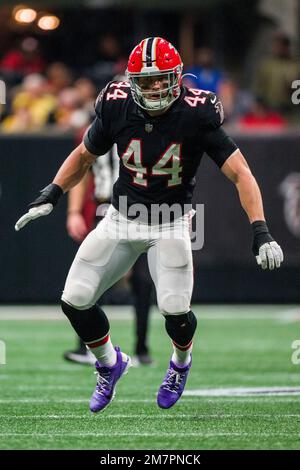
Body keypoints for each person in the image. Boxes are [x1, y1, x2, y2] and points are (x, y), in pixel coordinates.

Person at [15, 37, 283, 413]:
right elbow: (84, 155)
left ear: (177, 77)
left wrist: (260, 228)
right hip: (121, 218)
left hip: (170, 223)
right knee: (74, 300)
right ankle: (110, 364)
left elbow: (240, 173)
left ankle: (180, 364)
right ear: (132, 81)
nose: (155, 87)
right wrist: (53, 192)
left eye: (162, 79)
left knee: (174, 307)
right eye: (146, 80)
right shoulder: (116, 105)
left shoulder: (197, 112)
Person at [64, 145, 154, 366]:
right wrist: (74, 211)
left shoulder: (140, 125)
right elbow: (82, 167)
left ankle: (142, 348)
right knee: (93, 277)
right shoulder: (101, 125)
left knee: (143, 281)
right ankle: (86, 345)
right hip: (105, 209)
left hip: (140, 209)